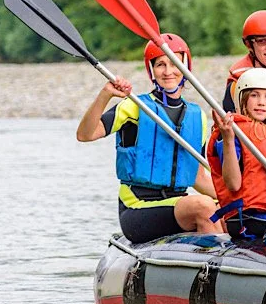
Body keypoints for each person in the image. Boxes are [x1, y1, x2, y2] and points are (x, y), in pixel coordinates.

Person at [74, 33, 221, 243]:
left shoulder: (197, 117)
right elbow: (85, 134)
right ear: (151, 70)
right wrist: (105, 95)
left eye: (175, 64)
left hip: (176, 204)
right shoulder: (135, 106)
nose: (168, 71)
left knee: (224, 211)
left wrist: (237, 197)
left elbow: (198, 178)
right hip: (137, 209)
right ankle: (212, 265)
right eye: (161, 64)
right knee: (204, 206)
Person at [208, 68, 266, 239]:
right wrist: (228, 138)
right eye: (254, 95)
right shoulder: (232, 132)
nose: (261, 102)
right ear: (243, 98)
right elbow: (233, 184)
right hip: (249, 218)